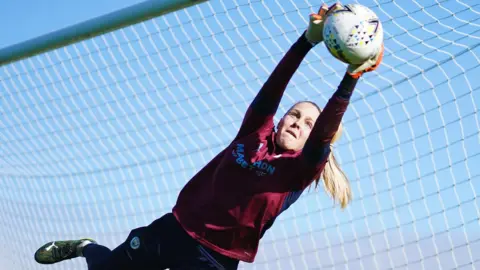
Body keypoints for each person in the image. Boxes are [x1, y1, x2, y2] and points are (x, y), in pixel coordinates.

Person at [34, 2, 383, 269]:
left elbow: (325, 132)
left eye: (308, 124)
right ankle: (84, 247)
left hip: (215, 259)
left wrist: (351, 76)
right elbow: (272, 91)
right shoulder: (255, 132)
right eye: (294, 115)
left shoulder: (301, 169)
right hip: (178, 226)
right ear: (279, 121)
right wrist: (306, 41)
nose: (297, 123)